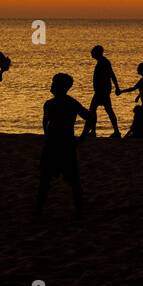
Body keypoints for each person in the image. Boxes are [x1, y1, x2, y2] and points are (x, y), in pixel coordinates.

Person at [34, 73, 94, 219]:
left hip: (64, 145)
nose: (52, 85)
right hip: (53, 144)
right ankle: (38, 211)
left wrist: (82, 137)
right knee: (45, 180)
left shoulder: (70, 103)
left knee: (72, 180)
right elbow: (45, 123)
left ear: (62, 87)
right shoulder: (50, 103)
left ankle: (79, 211)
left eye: (54, 83)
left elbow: (90, 117)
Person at [82, 45, 121, 139]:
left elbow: (111, 75)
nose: (91, 54)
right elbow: (111, 75)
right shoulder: (102, 62)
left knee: (96, 110)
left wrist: (117, 87)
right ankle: (97, 131)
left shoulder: (104, 62)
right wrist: (116, 87)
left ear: (97, 53)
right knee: (101, 110)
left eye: (93, 53)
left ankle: (114, 132)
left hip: (102, 91)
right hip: (101, 91)